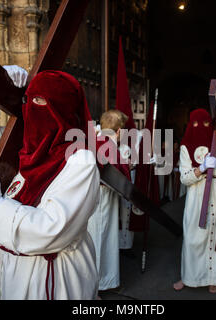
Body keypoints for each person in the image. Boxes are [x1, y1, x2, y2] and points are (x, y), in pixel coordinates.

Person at [0, 66, 100, 300]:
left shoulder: (80, 161)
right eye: (31, 100)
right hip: (6, 274)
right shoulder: (23, 147)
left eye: (45, 102)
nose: (35, 108)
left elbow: (52, 230)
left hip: (50, 278)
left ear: (66, 110)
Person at [173, 109, 216, 294]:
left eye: (205, 123)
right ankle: (188, 276)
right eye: (196, 124)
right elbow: (185, 178)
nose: (201, 128)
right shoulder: (185, 146)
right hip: (198, 193)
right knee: (193, 236)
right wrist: (202, 168)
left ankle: (215, 278)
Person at [87, 109, 130, 294]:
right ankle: (94, 288)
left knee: (97, 239)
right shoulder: (109, 146)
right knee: (100, 239)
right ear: (119, 131)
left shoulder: (92, 141)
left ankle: (103, 281)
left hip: (91, 197)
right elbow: (122, 179)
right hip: (103, 198)